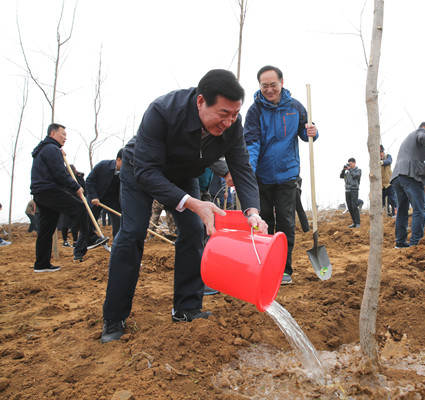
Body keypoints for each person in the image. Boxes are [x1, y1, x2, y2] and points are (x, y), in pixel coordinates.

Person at [100, 69, 267, 344]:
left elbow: (242, 169)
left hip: (184, 173)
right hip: (141, 170)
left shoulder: (232, 126)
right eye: (223, 113)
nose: (229, 122)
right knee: (131, 234)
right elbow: (146, 172)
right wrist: (191, 202)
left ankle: (186, 309)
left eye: (235, 114)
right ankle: (114, 317)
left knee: (193, 230)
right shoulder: (162, 111)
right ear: (201, 102)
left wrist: (253, 212)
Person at [244, 65, 318, 285]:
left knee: (286, 223)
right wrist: (249, 173)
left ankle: (285, 269)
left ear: (282, 83)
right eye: (264, 86)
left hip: (288, 175)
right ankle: (265, 267)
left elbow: (306, 133)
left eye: (273, 85)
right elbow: (252, 144)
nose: (269, 90)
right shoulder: (254, 111)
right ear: (259, 86)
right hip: (262, 177)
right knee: (264, 222)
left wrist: (312, 131)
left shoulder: (295, 107)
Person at [30, 124, 109, 271]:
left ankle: (41, 264)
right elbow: (60, 174)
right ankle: (90, 238)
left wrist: (58, 153)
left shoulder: (46, 149)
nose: (65, 137)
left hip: (40, 193)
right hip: (49, 190)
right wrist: (76, 187)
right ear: (53, 134)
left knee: (46, 230)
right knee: (80, 208)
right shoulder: (51, 149)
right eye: (63, 134)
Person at [391, 122, 425, 247]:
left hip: (398, 177)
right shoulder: (420, 133)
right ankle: (416, 243)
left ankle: (400, 242)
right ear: (424, 128)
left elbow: (424, 165)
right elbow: (423, 136)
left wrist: (424, 183)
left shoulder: (412, 142)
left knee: (402, 211)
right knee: (419, 209)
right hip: (410, 176)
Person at [85, 149, 123, 239]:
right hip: (97, 198)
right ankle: (82, 245)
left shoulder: (126, 173)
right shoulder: (103, 165)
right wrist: (93, 196)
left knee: (119, 221)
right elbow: (89, 180)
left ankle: (117, 244)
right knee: (89, 223)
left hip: (113, 201)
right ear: (118, 160)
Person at [340, 158, 361, 228]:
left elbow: (355, 176)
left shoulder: (358, 170)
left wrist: (350, 169)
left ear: (355, 163)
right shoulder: (348, 172)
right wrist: (344, 169)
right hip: (347, 190)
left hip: (354, 190)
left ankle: (357, 223)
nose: (350, 165)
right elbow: (341, 176)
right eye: (349, 164)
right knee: (350, 207)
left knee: (354, 207)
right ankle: (354, 222)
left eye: (351, 164)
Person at [380, 145, 396, 217]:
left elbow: (389, 161)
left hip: (390, 184)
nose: (381, 154)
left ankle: (395, 214)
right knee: (382, 202)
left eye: (382, 152)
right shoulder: (374, 161)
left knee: (393, 200)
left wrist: (382, 162)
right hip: (381, 186)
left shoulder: (388, 157)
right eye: (379, 152)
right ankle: (386, 214)